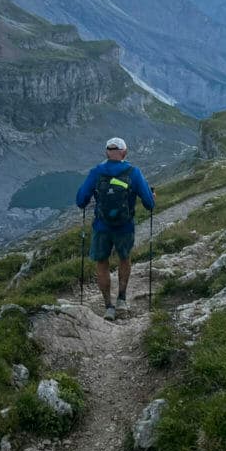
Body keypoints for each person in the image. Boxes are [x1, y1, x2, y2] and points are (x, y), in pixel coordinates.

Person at [75, 137, 155, 321]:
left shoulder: (96, 172)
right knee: (124, 259)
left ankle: (108, 307)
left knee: (102, 263)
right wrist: (152, 197)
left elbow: (81, 201)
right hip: (124, 227)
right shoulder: (133, 172)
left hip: (101, 227)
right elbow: (149, 204)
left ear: (107, 152)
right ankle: (121, 299)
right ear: (124, 152)